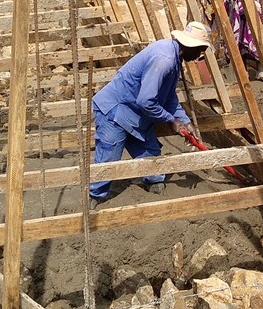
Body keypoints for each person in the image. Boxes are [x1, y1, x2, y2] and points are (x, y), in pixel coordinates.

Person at [88, 22, 212, 202]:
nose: (200, 55)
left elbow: (168, 97)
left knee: (151, 160)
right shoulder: (164, 60)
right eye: (201, 50)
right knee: (108, 160)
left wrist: (184, 120)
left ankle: (153, 182)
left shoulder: (174, 57)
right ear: (191, 46)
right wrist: (171, 120)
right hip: (115, 110)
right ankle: (95, 196)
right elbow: (146, 101)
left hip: (137, 114)